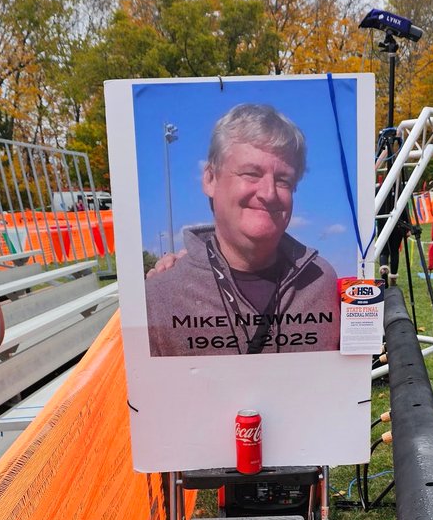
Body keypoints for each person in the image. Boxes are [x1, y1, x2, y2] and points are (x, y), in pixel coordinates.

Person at [143, 103, 340, 356]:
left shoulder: (321, 281)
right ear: (210, 179)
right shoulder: (159, 297)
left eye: (283, 180)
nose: (269, 193)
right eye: (251, 174)